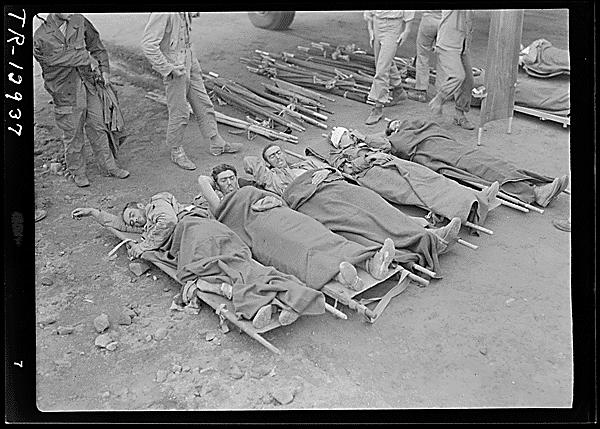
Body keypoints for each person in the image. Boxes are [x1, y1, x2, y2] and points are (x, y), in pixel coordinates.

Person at [71, 192, 325, 329]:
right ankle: (280, 301)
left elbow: (170, 222)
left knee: (219, 266)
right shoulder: (148, 225)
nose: (134, 221)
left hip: (196, 230)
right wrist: (94, 213)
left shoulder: (157, 205)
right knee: (234, 267)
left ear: (141, 204)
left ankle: (271, 299)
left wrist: (144, 246)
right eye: (131, 221)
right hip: (205, 237)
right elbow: (120, 226)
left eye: (132, 214)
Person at [244, 157, 464, 275]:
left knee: (376, 205)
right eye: (271, 157)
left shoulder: (305, 164)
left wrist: (327, 173)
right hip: (314, 202)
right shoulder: (272, 181)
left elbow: (334, 170)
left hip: (336, 187)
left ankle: (428, 234)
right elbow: (251, 162)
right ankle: (426, 241)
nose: (277, 157)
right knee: (359, 222)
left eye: (278, 152)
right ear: (267, 165)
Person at [196, 165, 399, 291]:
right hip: (259, 229)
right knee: (297, 247)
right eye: (224, 180)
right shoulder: (220, 204)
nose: (230, 182)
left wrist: (270, 200)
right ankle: (341, 275)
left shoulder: (248, 189)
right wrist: (212, 183)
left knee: (319, 233)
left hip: (281, 215)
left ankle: (371, 262)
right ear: (217, 185)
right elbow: (202, 180)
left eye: (232, 177)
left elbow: (278, 199)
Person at [322, 126, 500, 227]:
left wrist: (365, 138)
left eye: (348, 132)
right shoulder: (338, 154)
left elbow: (386, 145)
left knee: (431, 178)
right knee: (415, 190)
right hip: (374, 174)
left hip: (392, 162)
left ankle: (477, 196)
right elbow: (349, 169)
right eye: (345, 135)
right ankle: (457, 210)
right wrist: (369, 157)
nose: (349, 135)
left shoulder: (362, 142)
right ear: (338, 143)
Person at [33, 13, 130, 188]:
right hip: (65, 91)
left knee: (98, 125)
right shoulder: (41, 37)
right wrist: (86, 58)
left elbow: (96, 46)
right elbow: (52, 61)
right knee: (73, 133)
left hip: (88, 83)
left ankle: (109, 166)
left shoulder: (79, 20)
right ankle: (77, 172)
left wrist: (104, 69)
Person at [386, 118, 569, 207]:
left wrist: (410, 126)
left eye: (398, 122)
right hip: (440, 156)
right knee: (483, 171)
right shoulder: (399, 139)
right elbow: (401, 147)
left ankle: (538, 183)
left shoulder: (418, 126)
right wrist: (400, 132)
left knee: (494, 163)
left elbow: (433, 127)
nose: (399, 124)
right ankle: (535, 192)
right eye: (395, 126)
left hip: (452, 148)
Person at [141, 12, 242, 170]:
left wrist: (192, 62)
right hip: (175, 65)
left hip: (189, 58)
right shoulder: (163, 13)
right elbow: (148, 45)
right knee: (180, 112)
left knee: (203, 103)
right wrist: (167, 68)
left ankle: (216, 142)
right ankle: (176, 151)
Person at [363, 10, 414, 125]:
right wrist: (370, 29)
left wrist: (407, 30)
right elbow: (368, 12)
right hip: (377, 22)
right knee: (383, 62)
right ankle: (398, 90)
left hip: (393, 25)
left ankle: (378, 107)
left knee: (381, 70)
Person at [428, 10, 476, 130]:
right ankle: (439, 100)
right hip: (448, 44)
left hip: (463, 45)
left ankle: (459, 115)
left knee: (468, 81)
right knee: (457, 76)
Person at [409, 10, 442, 103]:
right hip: (445, 21)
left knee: (422, 55)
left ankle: (421, 91)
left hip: (429, 18)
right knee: (444, 57)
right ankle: (442, 93)